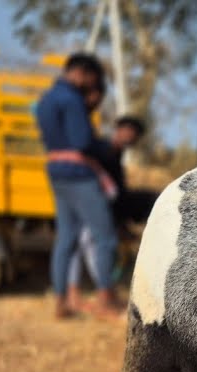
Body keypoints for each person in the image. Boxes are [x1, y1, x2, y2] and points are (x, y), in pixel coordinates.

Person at [35, 52, 122, 319]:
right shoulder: (72, 99)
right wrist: (110, 145)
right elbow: (83, 142)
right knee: (105, 236)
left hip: (56, 172)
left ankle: (61, 302)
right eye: (92, 81)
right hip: (79, 174)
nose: (92, 90)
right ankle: (106, 299)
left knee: (66, 239)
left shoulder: (45, 100)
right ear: (82, 73)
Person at [67, 112, 150, 307]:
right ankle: (97, 293)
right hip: (91, 204)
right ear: (119, 130)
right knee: (86, 244)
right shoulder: (104, 150)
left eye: (134, 133)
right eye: (128, 131)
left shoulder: (115, 153)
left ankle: (98, 290)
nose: (130, 136)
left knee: (86, 244)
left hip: (99, 205)